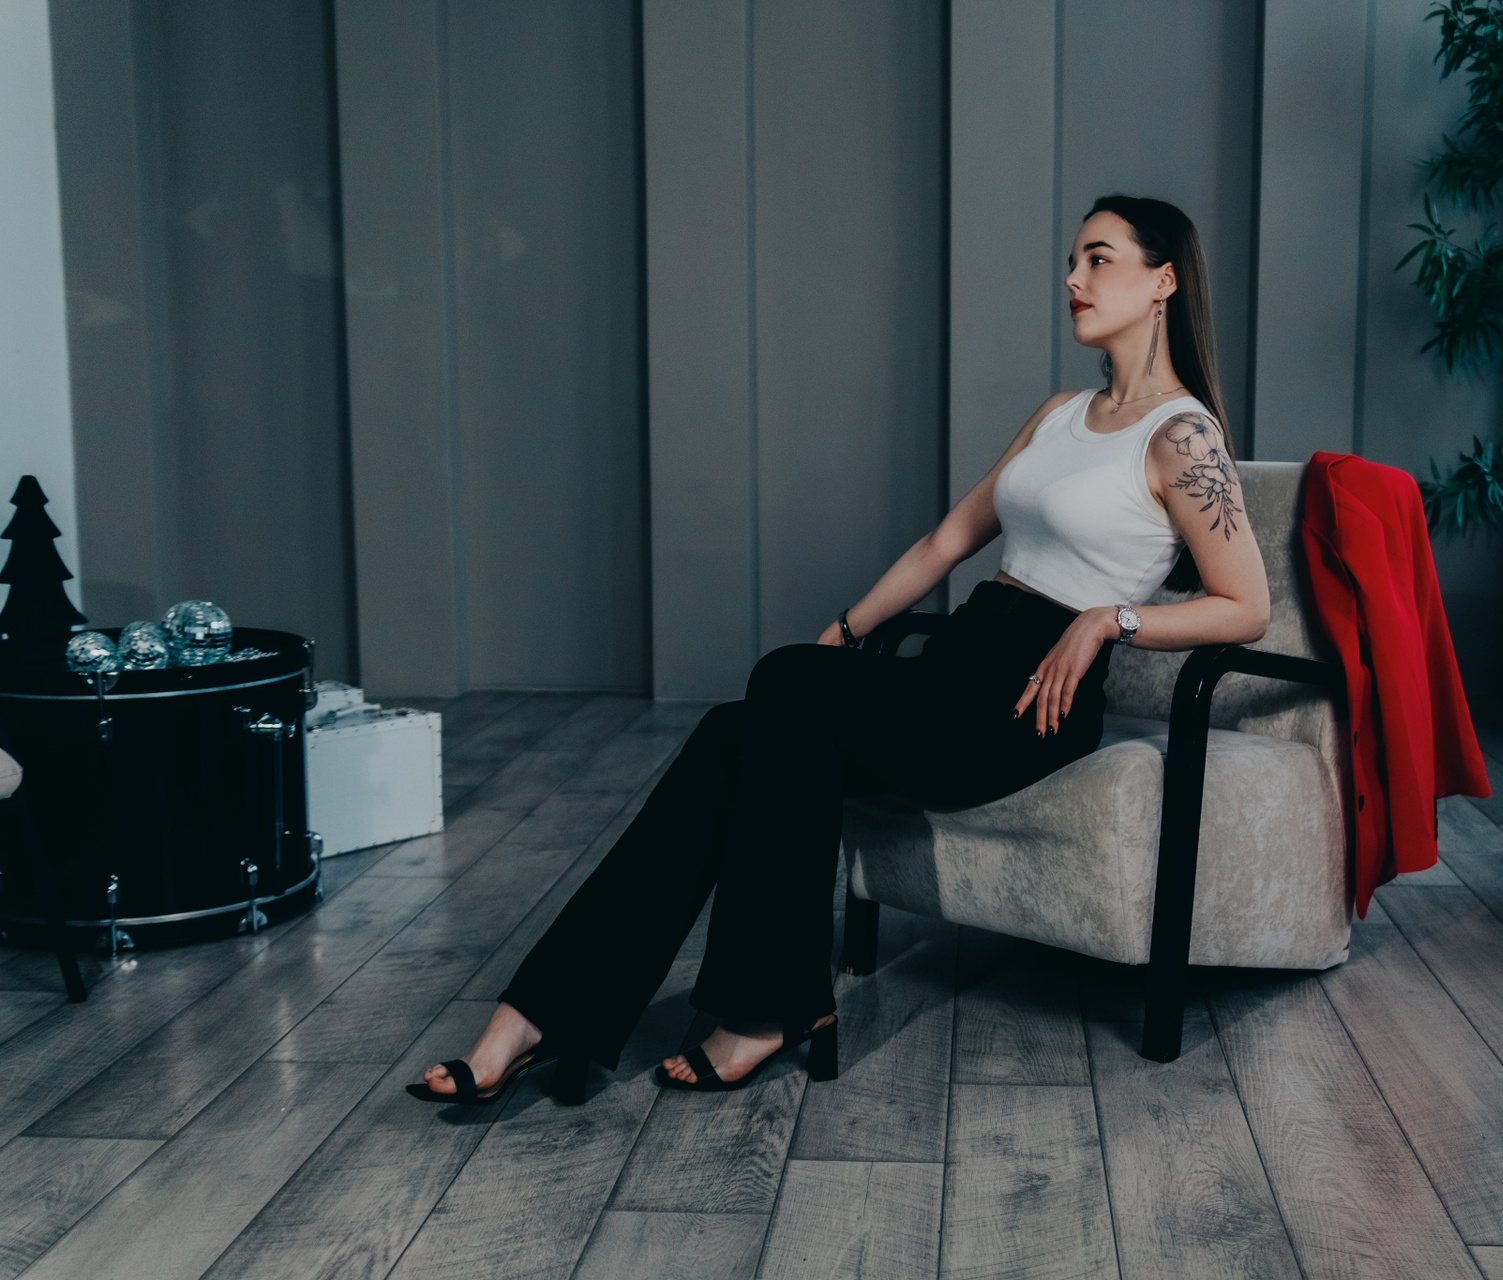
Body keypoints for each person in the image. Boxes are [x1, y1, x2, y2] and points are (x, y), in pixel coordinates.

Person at [409, 193, 1270, 1104]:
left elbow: (1245, 607)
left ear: (1162, 280)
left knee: (781, 688)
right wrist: (850, 629)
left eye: (1098, 258)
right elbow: (946, 543)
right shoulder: (1060, 412)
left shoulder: (1183, 437)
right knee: (740, 733)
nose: (1072, 278)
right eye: (1072, 260)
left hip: (1028, 704)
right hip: (959, 661)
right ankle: (561, 1014)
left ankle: (694, 1013)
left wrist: (1108, 621)